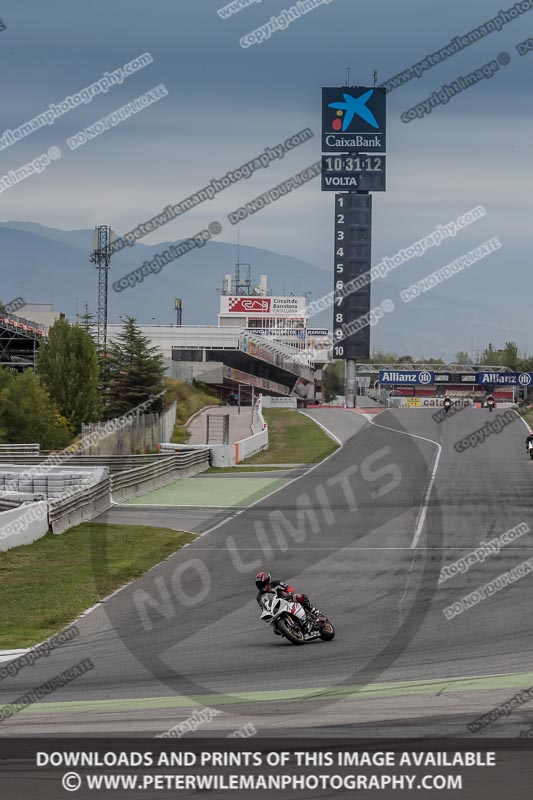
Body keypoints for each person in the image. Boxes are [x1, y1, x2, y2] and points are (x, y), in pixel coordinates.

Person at [255, 571, 321, 632]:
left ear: (267, 581)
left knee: (300, 597)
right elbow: (264, 607)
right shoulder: (259, 597)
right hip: (277, 608)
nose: (261, 587)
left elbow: (289, 588)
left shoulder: (276, 584)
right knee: (276, 630)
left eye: (262, 584)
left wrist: (289, 593)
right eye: (259, 585)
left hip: (287, 599)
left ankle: (314, 611)